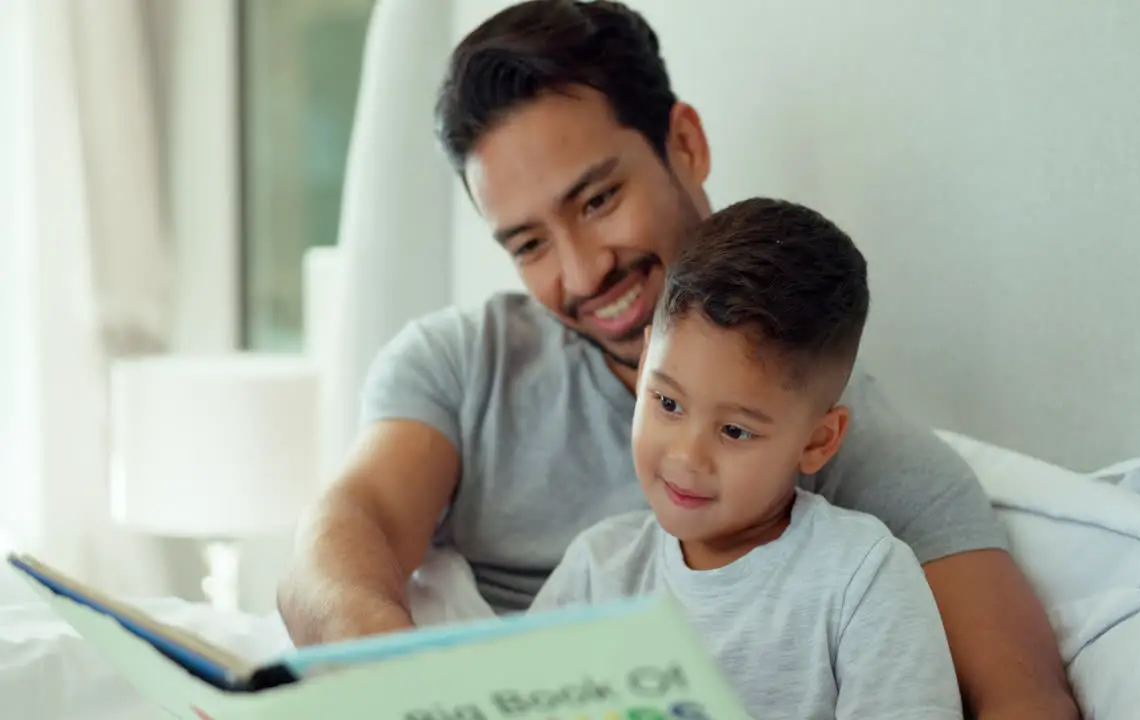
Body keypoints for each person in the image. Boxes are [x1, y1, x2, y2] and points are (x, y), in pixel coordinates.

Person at [278, 2, 1078, 718]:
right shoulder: (462, 364)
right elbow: (344, 535)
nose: (583, 271)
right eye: (528, 244)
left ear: (685, 144)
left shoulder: (857, 463)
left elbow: (1019, 692)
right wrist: (388, 681)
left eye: (597, 201)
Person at [529, 197, 963, 720]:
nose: (688, 457)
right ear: (645, 366)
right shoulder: (597, 572)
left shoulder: (862, 579)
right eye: (667, 402)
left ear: (817, 442)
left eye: (734, 431)